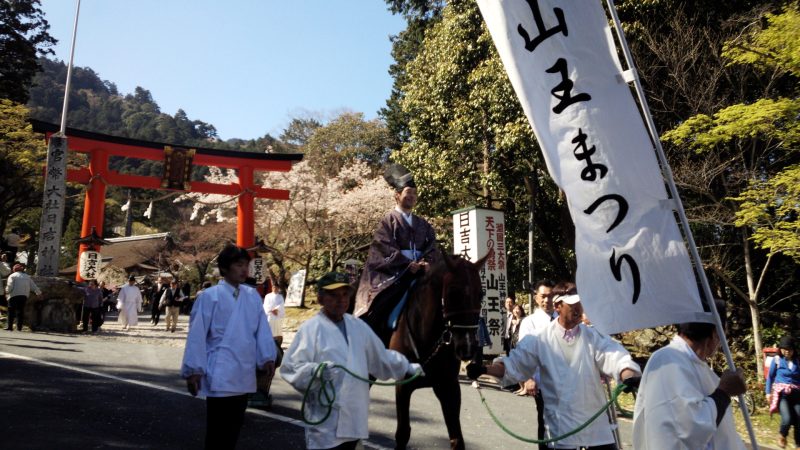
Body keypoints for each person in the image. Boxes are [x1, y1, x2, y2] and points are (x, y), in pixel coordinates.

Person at [467, 282, 641, 449]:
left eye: (580, 303)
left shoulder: (593, 336)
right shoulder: (539, 340)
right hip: (561, 431)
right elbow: (514, 364)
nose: (578, 308)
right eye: (572, 304)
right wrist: (484, 369)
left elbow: (614, 356)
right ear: (558, 307)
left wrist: (627, 373)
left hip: (596, 430)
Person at [282, 272, 422, 450]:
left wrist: (407, 367)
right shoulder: (310, 329)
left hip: (355, 419)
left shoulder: (358, 326)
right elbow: (290, 367)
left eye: (345, 294)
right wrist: (316, 372)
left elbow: (380, 357)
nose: (341, 300)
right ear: (320, 299)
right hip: (326, 422)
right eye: (333, 295)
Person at [181, 244, 277, 450]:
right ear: (224, 269)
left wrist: (267, 356)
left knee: (234, 428)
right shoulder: (209, 296)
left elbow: (262, 330)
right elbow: (197, 335)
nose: (244, 270)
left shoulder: (252, 297)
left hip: (243, 369)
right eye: (238, 265)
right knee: (218, 431)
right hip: (220, 369)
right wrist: (194, 370)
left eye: (246, 265)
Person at [632, 299, 747, 449]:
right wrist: (724, 392)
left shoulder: (696, 365)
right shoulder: (668, 359)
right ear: (715, 333)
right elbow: (689, 428)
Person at [353, 163, 437, 345]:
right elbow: (383, 247)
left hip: (421, 272)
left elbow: (432, 246)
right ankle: (372, 340)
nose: (412, 197)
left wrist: (425, 262)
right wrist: (407, 264)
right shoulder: (388, 221)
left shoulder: (423, 224)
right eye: (408, 192)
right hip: (396, 275)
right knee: (380, 304)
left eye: (414, 193)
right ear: (397, 195)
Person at [517, 280, 555, 449]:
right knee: (546, 421)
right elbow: (524, 354)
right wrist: (530, 378)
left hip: (567, 381)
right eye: (544, 296)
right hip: (543, 382)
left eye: (551, 296)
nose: (547, 300)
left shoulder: (563, 319)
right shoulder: (530, 322)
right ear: (536, 298)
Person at [767, 335, 800, 449]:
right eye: (785, 349)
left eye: (790, 350)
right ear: (780, 349)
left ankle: (798, 443)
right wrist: (768, 393)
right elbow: (770, 377)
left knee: (799, 418)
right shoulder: (777, 360)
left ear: (793, 350)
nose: (787, 352)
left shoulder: (797, 361)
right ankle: (782, 435)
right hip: (782, 395)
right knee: (787, 419)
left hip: (796, 394)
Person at [5, 264, 41, 331]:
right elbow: (33, 286)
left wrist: (7, 291)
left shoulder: (12, 276)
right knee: (20, 311)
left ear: (14, 269)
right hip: (24, 296)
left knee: (11, 311)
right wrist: (38, 293)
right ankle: (19, 327)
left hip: (13, 295)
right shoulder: (27, 276)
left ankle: (10, 326)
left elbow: (10, 286)